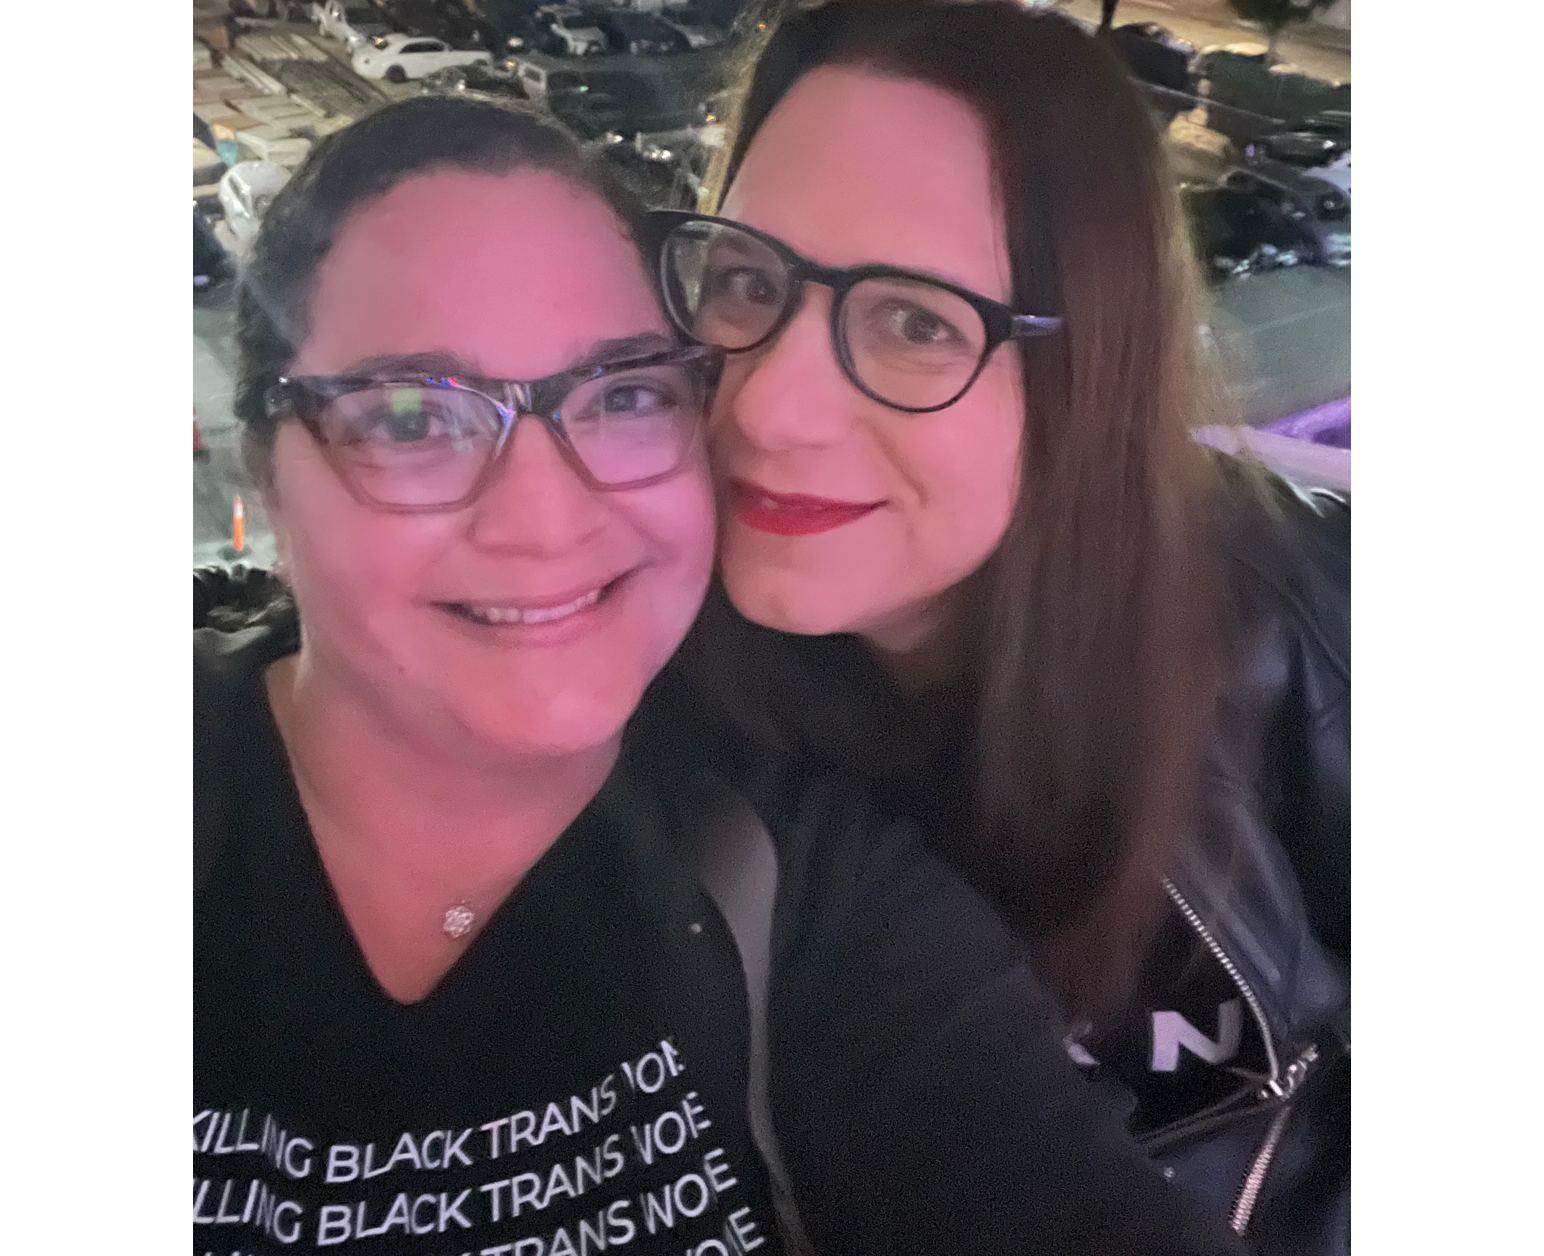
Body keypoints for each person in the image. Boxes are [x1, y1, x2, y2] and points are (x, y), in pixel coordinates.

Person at [194, 95, 1248, 1256]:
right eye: (408, 416)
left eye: (625, 395)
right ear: (266, 476)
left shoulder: (808, 895)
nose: (546, 519)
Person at [640, 0, 1350, 1256]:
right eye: (746, 280)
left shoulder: (1309, 645)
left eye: (915, 319)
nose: (769, 407)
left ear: (1086, 378)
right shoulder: (653, 722)